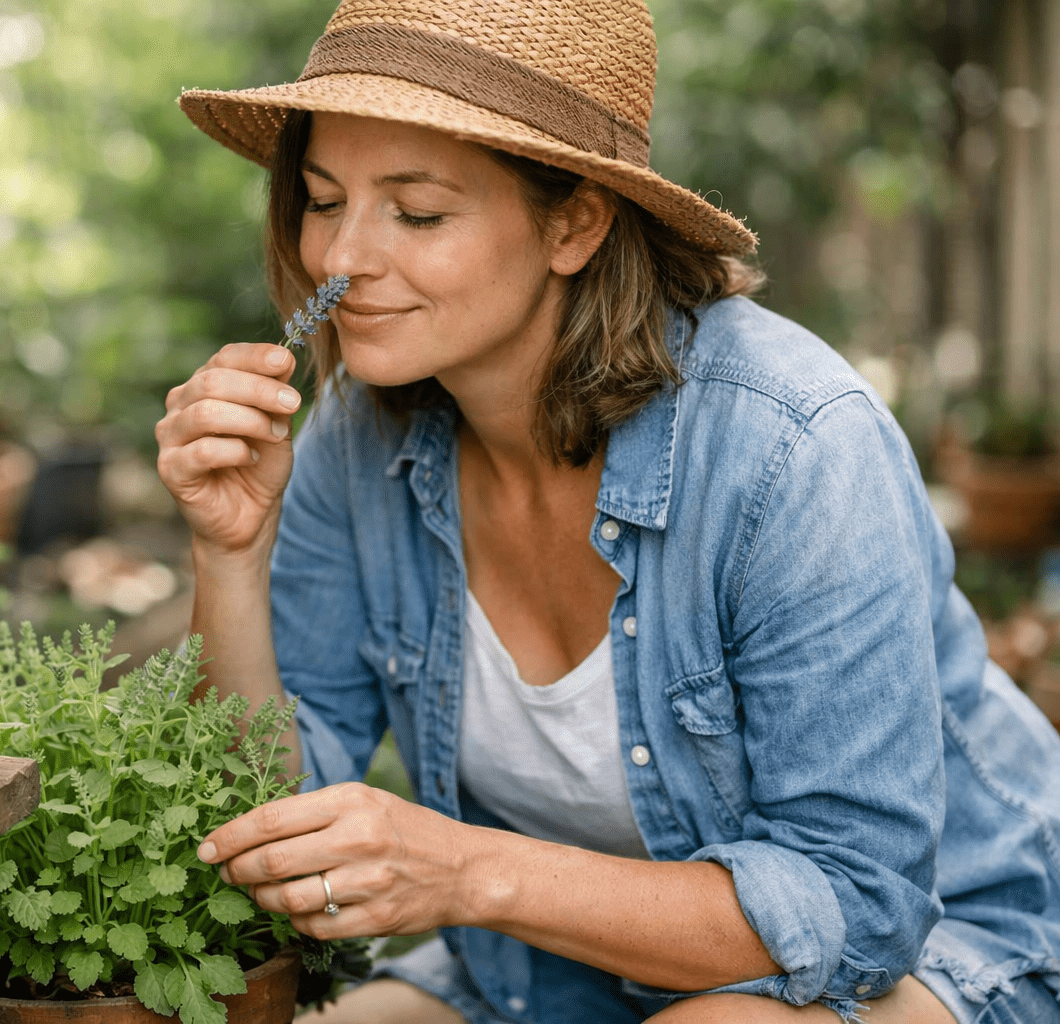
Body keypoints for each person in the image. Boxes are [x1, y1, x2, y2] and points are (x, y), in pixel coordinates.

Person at [154, 1, 1060, 1021]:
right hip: (551, 966)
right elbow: (260, 817)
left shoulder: (794, 444)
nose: (341, 258)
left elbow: (855, 905)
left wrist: (464, 871)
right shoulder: (356, 438)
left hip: (941, 947)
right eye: (324, 201)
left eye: (417, 213)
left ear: (574, 223)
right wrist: (227, 553)